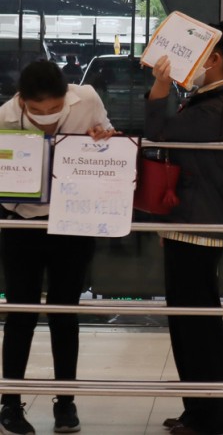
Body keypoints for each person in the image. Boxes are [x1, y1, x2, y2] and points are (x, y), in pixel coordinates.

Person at [146, 16, 223, 435]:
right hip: (193, 218)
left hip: (198, 220)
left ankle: (209, 416)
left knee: (196, 321)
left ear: (215, 58)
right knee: (191, 319)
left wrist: (160, 86)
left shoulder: (221, 107)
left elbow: (160, 132)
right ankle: (199, 411)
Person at [0, 60, 115, 435]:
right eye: (38, 110)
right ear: (22, 101)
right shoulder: (6, 116)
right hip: (22, 222)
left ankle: (66, 402)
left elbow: (109, 137)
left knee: (65, 311)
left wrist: (103, 136)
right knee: (21, 312)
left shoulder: (87, 99)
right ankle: (11, 402)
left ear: (66, 95)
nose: (47, 114)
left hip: (74, 221)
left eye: (54, 108)